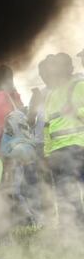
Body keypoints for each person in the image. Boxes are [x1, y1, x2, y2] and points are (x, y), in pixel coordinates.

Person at [40, 52, 84, 232]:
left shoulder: (78, 86)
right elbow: (47, 128)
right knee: (65, 195)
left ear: (69, 68)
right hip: (61, 152)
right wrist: (47, 153)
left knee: (68, 194)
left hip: (77, 147)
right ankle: (73, 232)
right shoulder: (51, 95)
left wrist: (75, 111)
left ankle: (75, 231)